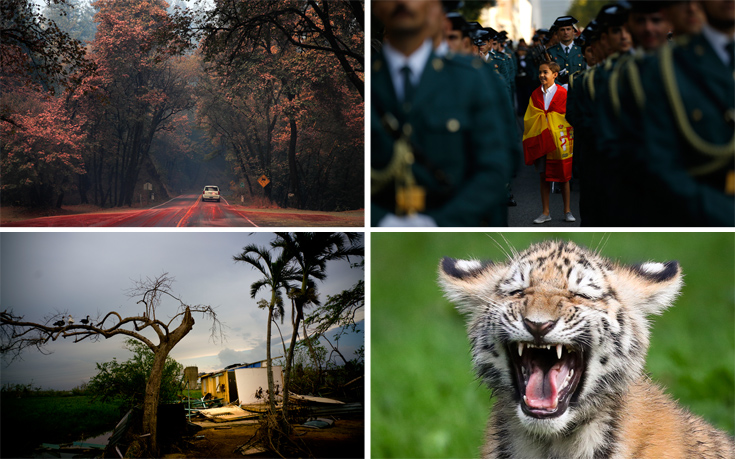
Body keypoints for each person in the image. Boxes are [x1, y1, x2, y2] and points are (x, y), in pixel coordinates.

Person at [371, 0, 514, 227]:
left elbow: (496, 165)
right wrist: (383, 222)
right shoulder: (366, 80)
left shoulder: (473, 79)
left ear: (434, 8)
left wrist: (438, 222)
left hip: (459, 224)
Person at [522, 61, 575, 224]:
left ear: (555, 75)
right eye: (540, 72)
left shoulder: (563, 93)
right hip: (542, 139)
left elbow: (569, 115)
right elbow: (529, 117)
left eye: (545, 72)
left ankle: (567, 210)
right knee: (543, 175)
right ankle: (545, 211)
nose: (541, 75)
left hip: (559, 139)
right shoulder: (535, 94)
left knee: (564, 176)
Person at [546, 16, 586, 87]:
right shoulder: (550, 52)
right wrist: (561, 86)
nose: (566, 32)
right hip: (558, 92)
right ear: (557, 33)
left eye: (568, 29)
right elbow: (548, 75)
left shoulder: (582, 50)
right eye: (562, 30)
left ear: (573, 31)